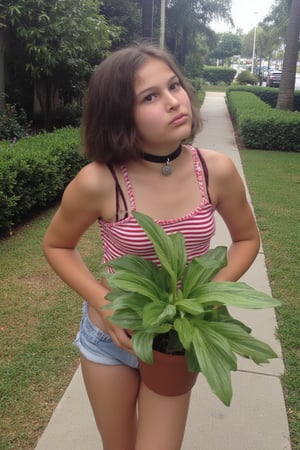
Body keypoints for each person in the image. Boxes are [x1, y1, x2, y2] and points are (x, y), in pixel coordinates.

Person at [43, 43, 260, 450]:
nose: (175, 101)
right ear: (120, 114)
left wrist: (211, 295)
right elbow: (57, 246)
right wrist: (103, 305)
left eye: (174, 86)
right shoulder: (98, 181)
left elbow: (247, 239)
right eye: (150, 96)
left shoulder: (216, 171)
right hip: (110, 338)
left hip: (177, 340)